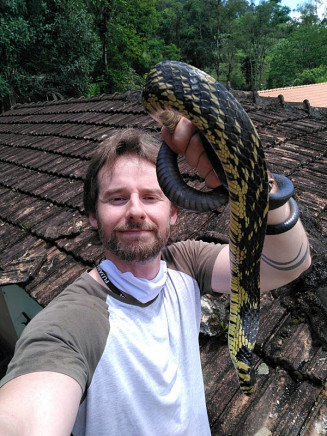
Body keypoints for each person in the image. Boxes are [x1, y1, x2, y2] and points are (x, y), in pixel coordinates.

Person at [0, 118, 311, 436]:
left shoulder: (188, 264)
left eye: (150, 197)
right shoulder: (71, 323)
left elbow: (288, 263)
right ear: (93, 215)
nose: (135, 210)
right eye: (117, 198)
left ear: (173, 212)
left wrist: (252, 172)